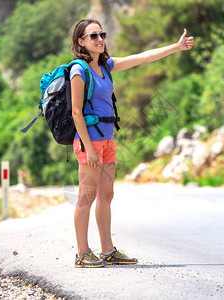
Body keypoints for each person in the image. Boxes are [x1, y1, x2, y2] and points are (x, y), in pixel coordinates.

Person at [70, 19, 194, 268]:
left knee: (106, 194)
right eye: (93, 36)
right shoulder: (78, 70)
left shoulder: (106, 66)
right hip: (89, 142)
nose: (99, 39)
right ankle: (82, 253)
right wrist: (89, 148)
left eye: (101, 34)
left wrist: (176, 47)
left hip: (107, 139)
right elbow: (75, 113)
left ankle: (108, 251)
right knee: (86, 196)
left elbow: (143, 57)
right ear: (81, 41)